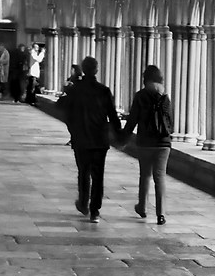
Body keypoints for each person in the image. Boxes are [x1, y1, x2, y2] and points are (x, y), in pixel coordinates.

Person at [60, 57, 120, 222]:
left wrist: (73, 129)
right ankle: (95, 210)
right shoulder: (104, 91)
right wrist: (121, 135)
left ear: (84, 69)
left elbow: (62, 107)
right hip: (100, 139)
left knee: (83, 172)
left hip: (81, 138)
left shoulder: (75, 89)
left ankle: (83, 203)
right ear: (97, 70)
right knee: (98, 175)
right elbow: (113, 116)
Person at [122, 64, 175, 225]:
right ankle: (161, 214)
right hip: (163, 144)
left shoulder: (140, 96)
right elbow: (170, 123)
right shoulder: (165, 97)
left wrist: (123, 137)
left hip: (145, 142)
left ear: (145, 79)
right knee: (160, 178)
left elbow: (132, 120)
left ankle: (142, 207)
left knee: (145, 175)